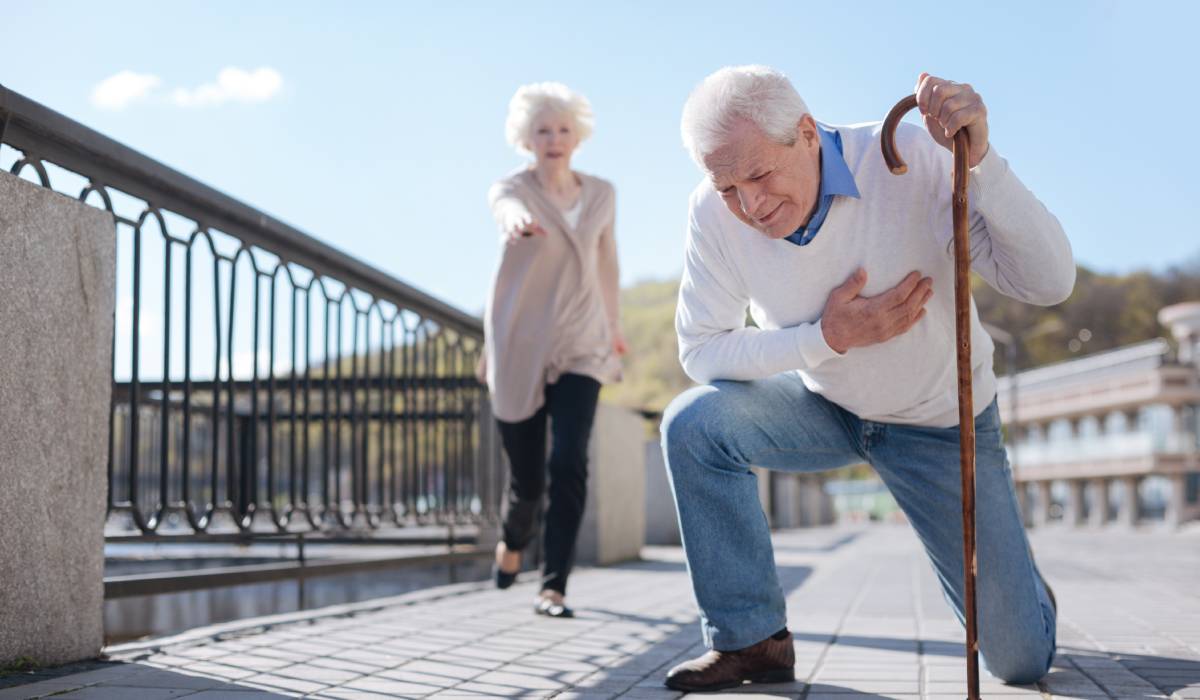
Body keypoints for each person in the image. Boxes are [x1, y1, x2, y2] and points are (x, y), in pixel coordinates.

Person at [661, 66, 1072, 691]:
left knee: (1020, 661)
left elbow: (1049, 283)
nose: (750, 205)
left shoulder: (912, 156)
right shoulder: (712, 217)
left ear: (805, 132)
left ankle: (1018, 586)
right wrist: (826, 339)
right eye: (727, 187)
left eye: (760, 175)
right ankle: (752, 642)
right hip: (824, 406)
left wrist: (981, 159)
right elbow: (701, 350)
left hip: (939, 421)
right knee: (694, 425)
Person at [481, 81, 625, 618]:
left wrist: (614, 327)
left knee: (569, 461)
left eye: (563, 129)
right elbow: (506, 206)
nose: (554, 138)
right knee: (528, 480)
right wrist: (515, 221)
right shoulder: (510, 188)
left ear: (578, 135)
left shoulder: (603, 194)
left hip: (583, 341)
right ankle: (513, 541)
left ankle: (554, 586)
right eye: (542, 129)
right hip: (521, 340)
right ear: (526, 137)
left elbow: (609, 264)